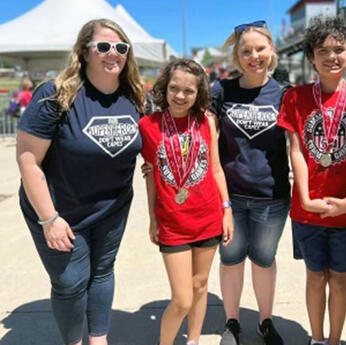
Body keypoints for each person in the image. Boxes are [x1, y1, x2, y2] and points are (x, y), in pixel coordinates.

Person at [16, 19, 145, 345]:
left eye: (121, 47)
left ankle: (98, 339)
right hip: (60, 208)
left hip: (112, 208)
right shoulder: (56, 94)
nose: (113, 53)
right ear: (84, 52)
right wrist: (49, 219)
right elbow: (28, 160)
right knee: (71, 282)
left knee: (102, 273)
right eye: (103, 46)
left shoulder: (137, 97)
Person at [277, 16, 346, 345]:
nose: (332, 56)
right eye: (323, 50)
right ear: (311, 57)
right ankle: (317, 339)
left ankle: (333, 340)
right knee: (314, 276)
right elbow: (298, 152)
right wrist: (304, 198)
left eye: (339, 49)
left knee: (339, 277)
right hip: (308, 207)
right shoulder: (295, 97)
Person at [139, 58, 234, 345]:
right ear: (164, 88)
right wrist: (153, 218)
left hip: (207, 216)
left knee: (200, 285)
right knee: (181, 298)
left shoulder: (207, 121)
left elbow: (216, 168)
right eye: (174, 88)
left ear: (199, 93)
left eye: (188, 91)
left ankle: (193, 340)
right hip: (172, 221)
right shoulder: (148, 125)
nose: (180, 96)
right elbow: (151, 176)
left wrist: (226, 209)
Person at [211, 20, 291, 345]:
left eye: (260, 49)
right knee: (231, 260)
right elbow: (205, 139)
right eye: (246, 51)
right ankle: (231, 323)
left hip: (271, 197)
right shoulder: (221, 91)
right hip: (229, 197)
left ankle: (265, 321)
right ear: (237, 56)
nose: (254, 56)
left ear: (271, 50)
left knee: (264, 260)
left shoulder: (284, 93)